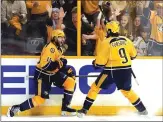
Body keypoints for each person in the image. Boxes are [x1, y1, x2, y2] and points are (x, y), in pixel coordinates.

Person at [77, 21, 148, 117]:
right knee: (127, 91)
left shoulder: (106, 42)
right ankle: (143, 110)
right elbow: (134, 56)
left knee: (95, 87)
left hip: (111, 71)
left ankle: (84, 111)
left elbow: (100, 63)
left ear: (109, 31)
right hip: (126, 70)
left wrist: (95, 62)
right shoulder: (126, 40)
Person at [7, 29, 77, 117]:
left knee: (70, 82)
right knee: (40, 99)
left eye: (63, 37)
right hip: (43, 75)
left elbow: (62, 61)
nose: (62, 39)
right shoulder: (50, 48)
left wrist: (65, 68)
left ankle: (65, 107)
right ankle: (16, 108)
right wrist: (59, 64)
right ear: (54, 38)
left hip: (53, 74)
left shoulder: (58, 48)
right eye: (60, 37)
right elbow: (46, 66)